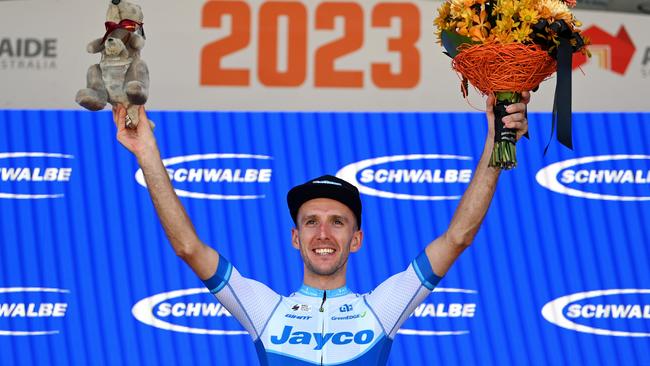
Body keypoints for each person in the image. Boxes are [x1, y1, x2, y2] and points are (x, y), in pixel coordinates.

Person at [113, 92, 530, 365]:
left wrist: (496, 142)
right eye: (311, 222)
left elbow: (457, 237)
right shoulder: (265, 310)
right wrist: (147, 152)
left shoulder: (381, 308)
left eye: (338, 223)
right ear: (296, 238)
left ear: (357, 239)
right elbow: (188, 247)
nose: (323, 234)